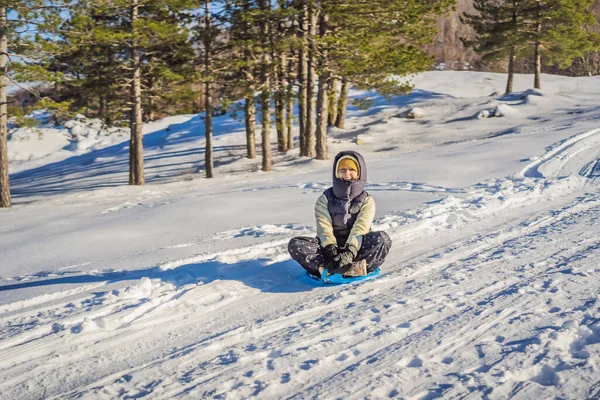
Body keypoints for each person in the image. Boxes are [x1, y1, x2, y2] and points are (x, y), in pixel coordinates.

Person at [288, 151, 392, 278]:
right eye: (342, 169)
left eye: (351, 169)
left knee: (382, 240)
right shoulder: (325, 198)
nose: (347, 173)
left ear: (359, 173)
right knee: (296, 244)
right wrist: (330, 250)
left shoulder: (367, 201)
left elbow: (361, 228)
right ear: (336, 173)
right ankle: (325, 268)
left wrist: (350, 251)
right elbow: (323, 227)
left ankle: (354, 268)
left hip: (357, 248)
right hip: (329, 250)